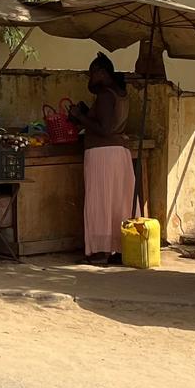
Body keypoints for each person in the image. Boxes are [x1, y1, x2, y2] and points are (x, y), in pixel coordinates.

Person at [77, 53, 132, 265]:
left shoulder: (106, 96)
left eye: (92, 74)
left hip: (102, 154)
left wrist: (81, 117)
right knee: (118, 203)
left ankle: (100, 251)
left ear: (101, 73)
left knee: (100, 201)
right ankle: (119, 248)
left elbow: (105, 128)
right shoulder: (120, 94)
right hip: (118, 153)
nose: (90, 79)